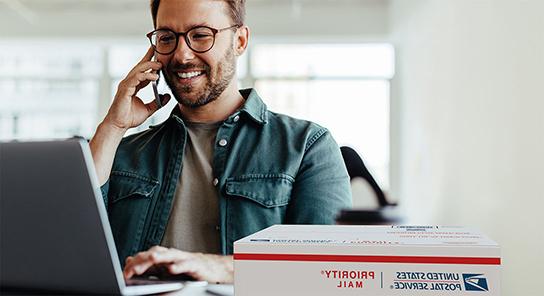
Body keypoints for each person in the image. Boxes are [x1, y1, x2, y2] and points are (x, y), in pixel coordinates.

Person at [89, 0, 351, 284]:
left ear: (239, 40)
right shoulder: (124, 153)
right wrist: (113, 127)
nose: (182, 55)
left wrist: (220, 267)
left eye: (200, 35)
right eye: (166, 38)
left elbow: (329, 270)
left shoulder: (308, 147)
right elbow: (71, 245)